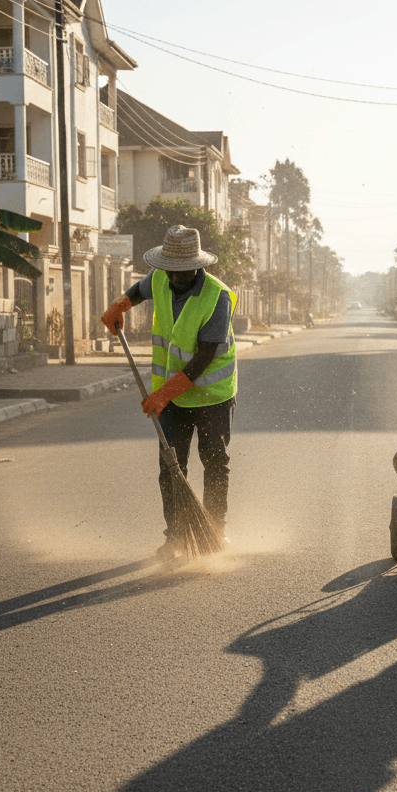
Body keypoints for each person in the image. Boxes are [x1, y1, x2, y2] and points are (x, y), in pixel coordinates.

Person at [101, 225, 237, 557]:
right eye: (169, 271)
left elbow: (203, 358)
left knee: (215, 462)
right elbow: (140, 289)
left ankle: (214, 533)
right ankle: (175, 536)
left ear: (197, 265)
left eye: (181, 272)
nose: (173, 278)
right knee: (171, 467)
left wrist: (162, 394)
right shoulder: (161, 277)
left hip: (212, 396)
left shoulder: (216, 297)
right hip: (173, 398)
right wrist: (121, 304)